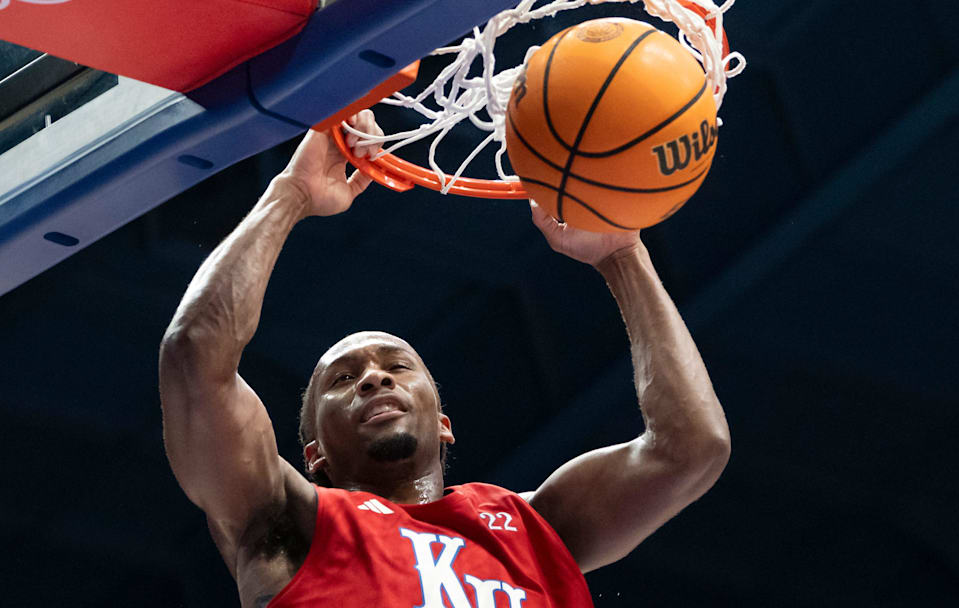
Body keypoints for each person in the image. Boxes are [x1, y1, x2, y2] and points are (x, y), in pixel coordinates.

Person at [159, 111, 731, 608]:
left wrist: (623, 255)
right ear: (314, 456)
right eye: (343, 379)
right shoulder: (284, 522)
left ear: (443, 424)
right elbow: (195, 357)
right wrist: (293, 194)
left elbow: (691, 449)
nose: (374, 376)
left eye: (398, 366)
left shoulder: (537, 528)